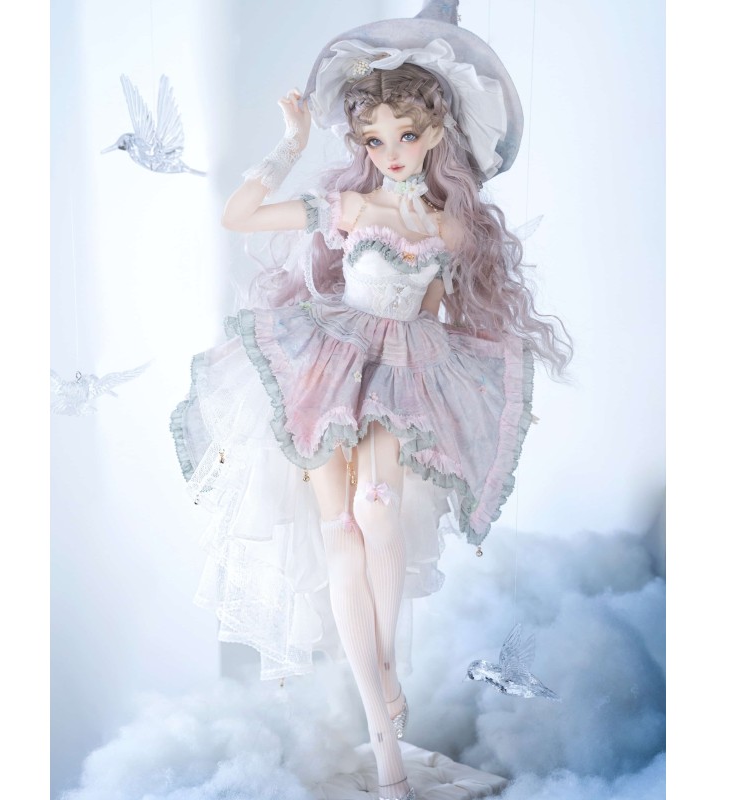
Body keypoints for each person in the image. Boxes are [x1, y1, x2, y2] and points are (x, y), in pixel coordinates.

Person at [171, 4, 571, 799]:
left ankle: (385, 672)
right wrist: (290, 143)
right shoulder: (351, 208)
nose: (390, 152)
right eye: (374, 140)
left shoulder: (451, 229)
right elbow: (238, 216)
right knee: (341, 533)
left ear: (436, 133)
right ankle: (387, 753)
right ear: (359, 144)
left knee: (378, 511)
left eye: (406, 135)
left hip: (399, 372)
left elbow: (439, 315)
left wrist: (459, 380)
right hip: (326, 364)